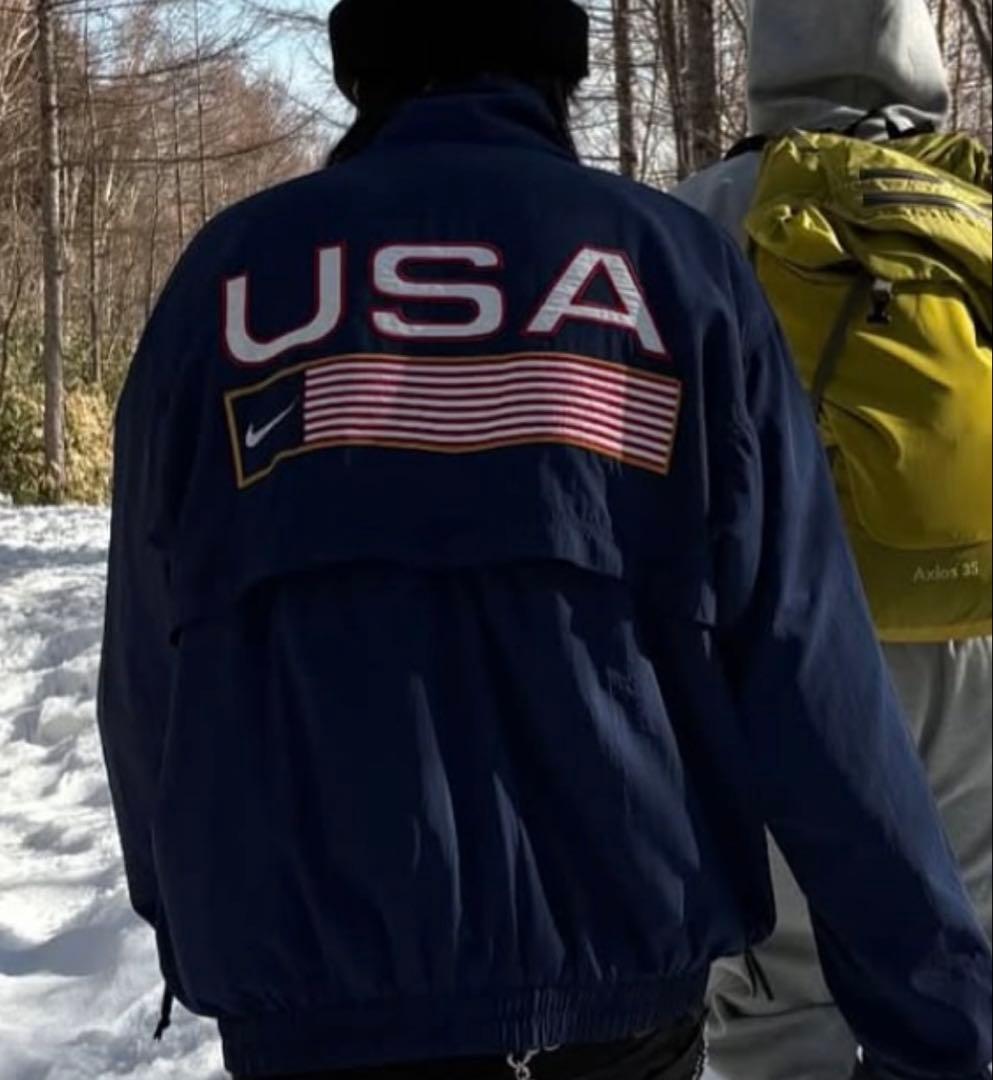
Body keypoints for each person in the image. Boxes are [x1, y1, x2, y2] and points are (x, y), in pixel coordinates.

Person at [97, 2, 991, 1078]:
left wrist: (190, 914)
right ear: (560, 75)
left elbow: (149, 666)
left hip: (316, 1000)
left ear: (357, 75)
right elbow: (808, 665)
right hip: (617, 986)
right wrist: (930, 1024)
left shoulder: (225, 282)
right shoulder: (673, 268)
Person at [673, 2, 993, 1078]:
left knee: (783, 988)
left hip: (798, 660)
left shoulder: (700, 215)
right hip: (982, 655)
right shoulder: (976, 201)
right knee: (966, 976)